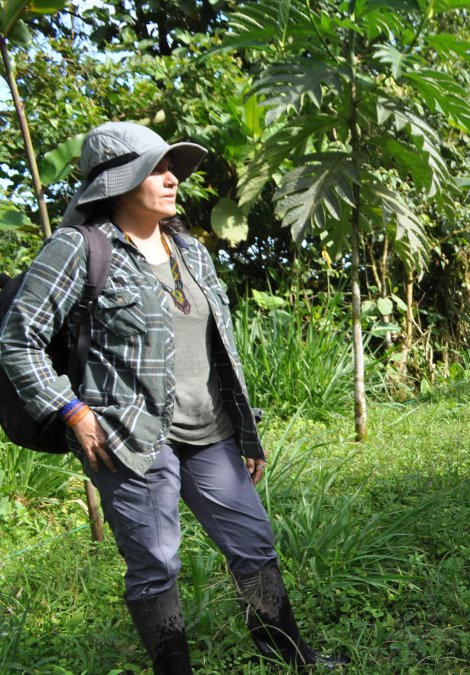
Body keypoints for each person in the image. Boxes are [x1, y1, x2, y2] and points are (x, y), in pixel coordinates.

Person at [0, 122, 346, 672]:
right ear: (117, 181)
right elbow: (19, 339)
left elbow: (217, 351)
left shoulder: (191, 251)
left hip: (210, 433)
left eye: (172, 169)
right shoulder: (79, 249)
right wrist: (73, 412)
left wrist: (244, 429)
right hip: (128, 435)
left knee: (253, 545)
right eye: (156, 169)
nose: (171, 179)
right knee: (156, 564)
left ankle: (291, 658)